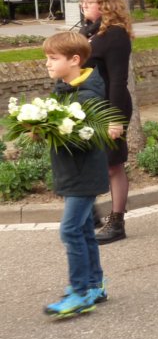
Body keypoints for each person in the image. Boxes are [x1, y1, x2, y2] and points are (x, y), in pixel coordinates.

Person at [42, 32, 111, 318]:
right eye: (47, 58)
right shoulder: (65, 88)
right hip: (72, 172)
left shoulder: (87, 94)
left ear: (74, 60)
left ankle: (80, 292)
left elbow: (87, 136)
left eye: (53, 58)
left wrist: (51, 130)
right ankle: (95, 284)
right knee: (83, 231)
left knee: (70, 230)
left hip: (84, 174)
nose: (47, 63)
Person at [79, 0, 132, 244]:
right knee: (88, 160)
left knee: (113, 165)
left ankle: (117, 221)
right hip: (88, 106)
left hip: (111, 105)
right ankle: (90, 213)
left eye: (88, 2)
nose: (83, 7)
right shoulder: (90, 31)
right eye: (82, 2)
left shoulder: (115, 35)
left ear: (104, 4)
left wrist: (114, 118)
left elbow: (119, 80)